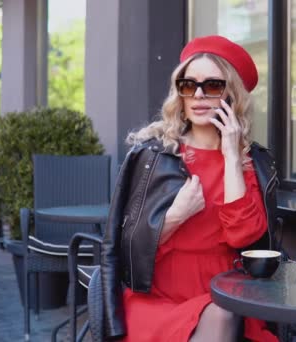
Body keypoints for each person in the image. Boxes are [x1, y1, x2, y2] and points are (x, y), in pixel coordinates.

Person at [101, 35, 279, 342]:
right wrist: (174, 216)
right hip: (157, 295)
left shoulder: (254, 162)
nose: (198, 95)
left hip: (224, 289)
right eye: (188, 85)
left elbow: (245, 237)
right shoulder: (153, 155)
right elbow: (125, 246)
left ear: (232, 95)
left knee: (222, 312)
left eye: (212, 86)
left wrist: (232, 156)